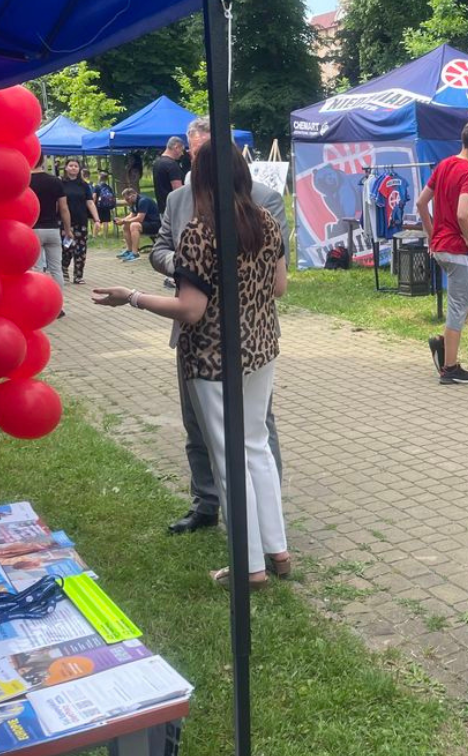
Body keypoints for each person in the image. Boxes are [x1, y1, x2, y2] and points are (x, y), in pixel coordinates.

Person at [93, 139, 289, 588]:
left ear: (198, 180)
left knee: (228, 459)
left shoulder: (201, 233)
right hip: (261, 348)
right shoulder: (266, 223)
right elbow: (279, 288)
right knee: (256, 446)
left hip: (213, 355)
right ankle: (278, 552)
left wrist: (134, 298)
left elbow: (191, 310)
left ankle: (249, 567)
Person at [150, 116, 287, 536]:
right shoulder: (179, 204)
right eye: (194, 151)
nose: (194, 162)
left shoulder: (264, 203)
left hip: (231, 339)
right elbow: (161, 249)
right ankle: (216, 507)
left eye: (203, 154)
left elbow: (194, 306)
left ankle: (258, 531)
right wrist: (185, 267)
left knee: (250, 436)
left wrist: (134, 297)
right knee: (202, 428)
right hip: (236, 338)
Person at [418, 121, 468, 385]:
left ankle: (442, 342)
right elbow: (463, 213)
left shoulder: (444, 164)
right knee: (459, 305)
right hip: (457, 250)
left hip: (442, 247)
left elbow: (420, 202)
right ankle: (450, 368)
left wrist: (431, 234)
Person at [29, 161, 73, 292]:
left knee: (37, 269)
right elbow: (64, 208)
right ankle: (58, 303)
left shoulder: (25, 182)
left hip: (33, 229)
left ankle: (41, 301)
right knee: (56, 269)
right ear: (43, 161)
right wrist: (67, 229)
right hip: (53, 229)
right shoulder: (55, 181)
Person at [60, 158, 102, 285]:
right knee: (66, 248)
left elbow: (90, 202)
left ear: (79, 169)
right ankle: (63, 269)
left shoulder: (84, 185)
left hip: (81, 221)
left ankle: (78, 275)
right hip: (65, 222)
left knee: (81, 249)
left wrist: (97, 219)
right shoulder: (60, 183)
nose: (73, 168)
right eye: (71, 166)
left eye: (76, 166)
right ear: (66, 168)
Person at [115, 188, 161, 263]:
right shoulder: (134, 202)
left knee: (134, 225)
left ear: (133, 195)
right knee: (125, 226)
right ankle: (129, 250)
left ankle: (135, 253)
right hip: (146, 223)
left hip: (155, 224)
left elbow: (140, 218)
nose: (127, 201)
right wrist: (122, 221)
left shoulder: (143, 201)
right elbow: (132, 215)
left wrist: (123, 221)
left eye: (127, 199)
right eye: (125, 200)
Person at [152, 137, 186, 213]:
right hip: (174, 209)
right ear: (176, 147)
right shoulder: (172, 165)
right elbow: (178, 190)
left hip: (162, 208)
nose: (182, 153)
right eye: (181, 150)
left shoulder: (156, 163)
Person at [95, 171, 117, 236]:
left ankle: (95, 235)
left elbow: (94, 196)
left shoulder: (97, 187)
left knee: (97, 220)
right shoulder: (108, 187)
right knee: (106, 221)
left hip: (99, 206)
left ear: (99, 178)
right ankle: (105, 235)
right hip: (107, 206)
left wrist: (93, 204)